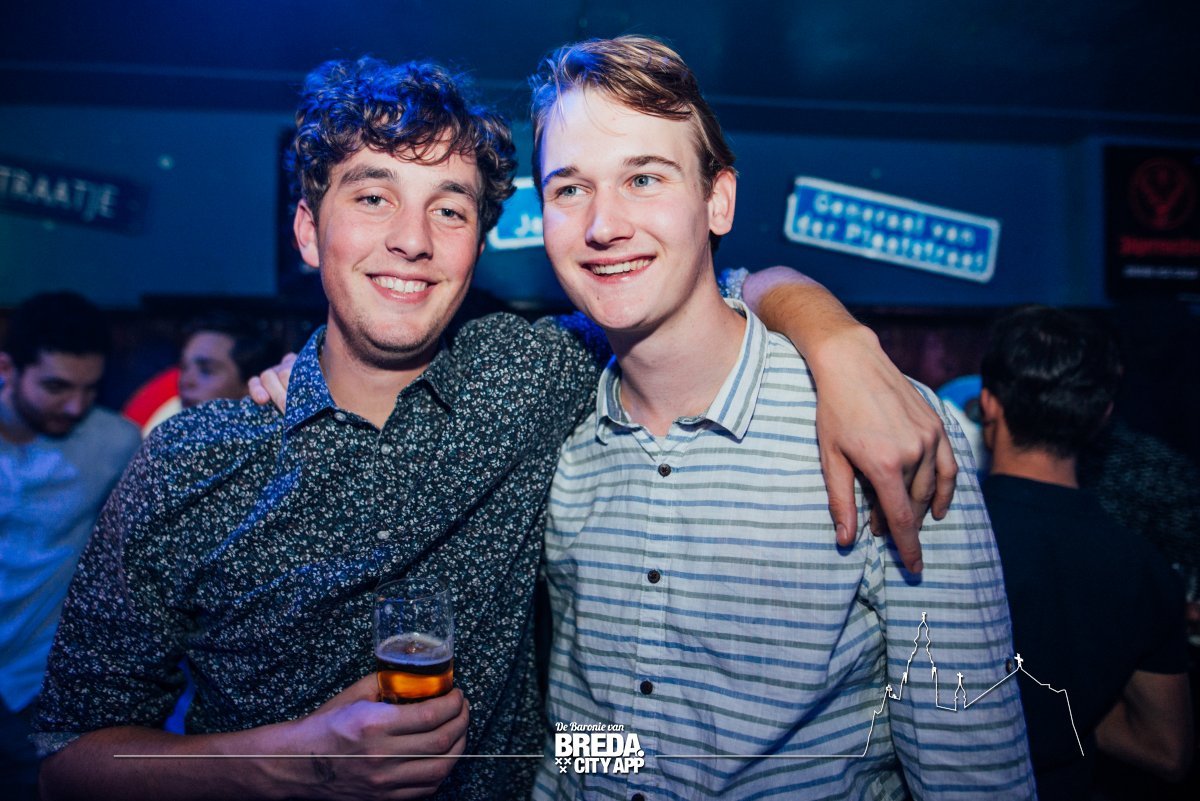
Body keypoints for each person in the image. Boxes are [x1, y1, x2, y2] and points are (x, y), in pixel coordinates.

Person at [36, 56, 953, 801]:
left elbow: (695, 286)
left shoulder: (527, 377)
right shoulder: (193, 459)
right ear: (309, 232)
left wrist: (840, 344)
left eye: (449, 207)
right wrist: (297, 762)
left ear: (479, 242)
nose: (412, 238)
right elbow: (68, 759)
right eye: (372, 197)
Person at [528, 37, 1033, 799]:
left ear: (718, 201)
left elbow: (972, 768)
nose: (603, 224)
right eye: (570, 188)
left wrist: (835, 338)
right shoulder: (556, 423)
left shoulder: (883, 425)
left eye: (644, 177)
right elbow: (587, 721)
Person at [979, 305, 1192, 800]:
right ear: (1101, 416)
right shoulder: (1144, 566)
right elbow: (1167, 750)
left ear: (988, 403)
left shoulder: (929, 538)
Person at [0, 291, 141, 801]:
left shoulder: (115, 441)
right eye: (56, 386)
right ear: (7, 369)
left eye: (89, 389)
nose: (75, 406)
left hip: (36, 687)